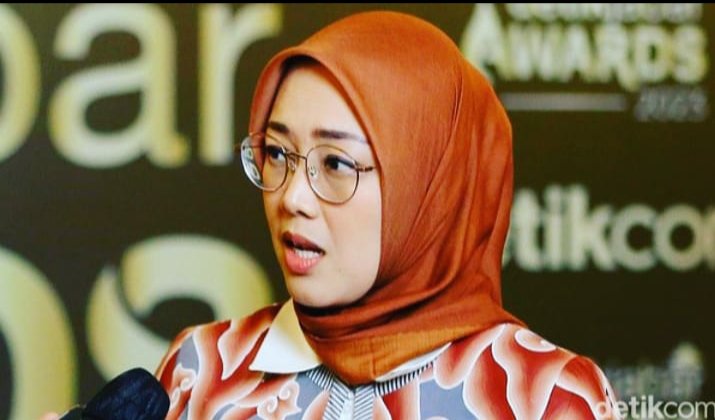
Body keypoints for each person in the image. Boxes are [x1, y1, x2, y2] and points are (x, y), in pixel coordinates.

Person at [154, 11, 621, 420]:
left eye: (335, 163)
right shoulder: (200, 370)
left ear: (429, 190)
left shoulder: (545, 398)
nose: (292, 197)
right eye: (277, 153)